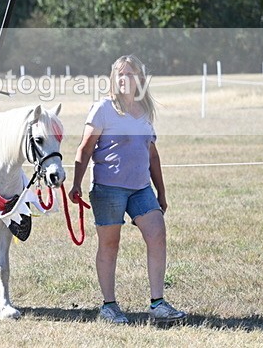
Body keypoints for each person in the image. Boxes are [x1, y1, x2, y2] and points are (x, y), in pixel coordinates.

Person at [69, 55, 186, 324]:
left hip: (141, 189)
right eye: (120, 74)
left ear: (139, 80)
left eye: (130, 74)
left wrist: (162, 192)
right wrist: (75, 183)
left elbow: (152, 155)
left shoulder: (145, 113)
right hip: (108, 189)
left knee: (157, 234)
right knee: (110, 245)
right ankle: (109, 306)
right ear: (113, 79)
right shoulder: (103, 108)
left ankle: (157, 303)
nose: (125, 79)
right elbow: (85, 148)